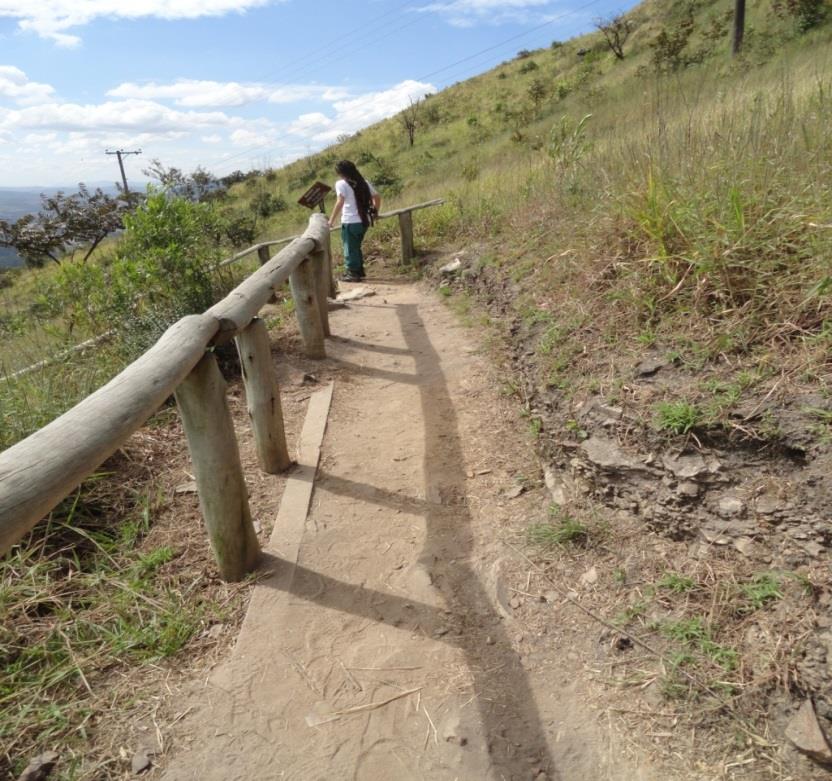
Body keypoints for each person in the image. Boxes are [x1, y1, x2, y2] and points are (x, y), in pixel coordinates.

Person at [328, 160, 381, 282]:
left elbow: (340, 201)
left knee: (350, 248)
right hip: (364, 221)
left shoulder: (341, 184)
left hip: (350, 221)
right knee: (356, 247)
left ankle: (353, 273)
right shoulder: (364, 182)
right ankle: (359, 271)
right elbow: (377, 197)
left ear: (341, 173)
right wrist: (375, 211)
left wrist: (331, 220)